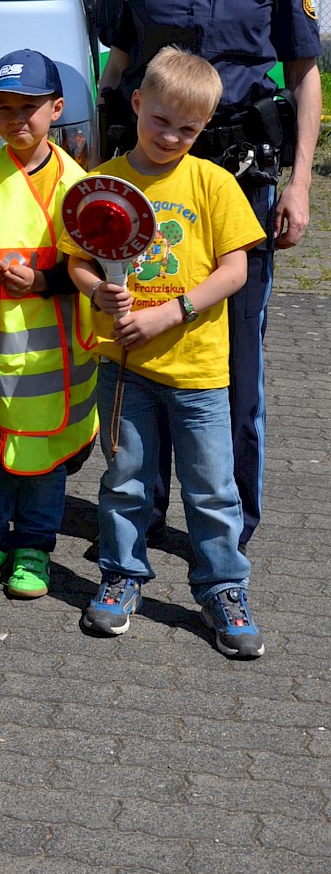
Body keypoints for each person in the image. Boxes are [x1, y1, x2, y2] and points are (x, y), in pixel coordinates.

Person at [97, 0, 320, 546]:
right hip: (150, 184)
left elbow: (303, 75)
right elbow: (117, 71)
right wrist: (101, 180)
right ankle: (140, 514)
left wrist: (298, 185)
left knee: (236, 363)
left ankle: (228, 527)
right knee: (145, 343)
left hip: (240, 178)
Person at [65, 47, 267, 657]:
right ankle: (122, 576)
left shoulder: (213, 183)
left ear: (204, 128)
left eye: (188, 128)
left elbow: (234, 271)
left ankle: (221, 588)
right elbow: (77, 258)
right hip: (125, 369)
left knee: (211, 489)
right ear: (137, 104)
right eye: (161, 121)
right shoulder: (105, 182)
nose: (172, 136)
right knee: (126, 481)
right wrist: (98, 289)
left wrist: (169, 313)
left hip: (198, 371)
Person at [0, 50, 98, 601]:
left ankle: (35, 546)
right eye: (4, 108)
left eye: (29, 107)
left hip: (50, 360)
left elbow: (93, 264)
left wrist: (43, 282)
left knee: (44, 458)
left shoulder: (77, 185)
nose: (16, 119)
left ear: (56, 108)